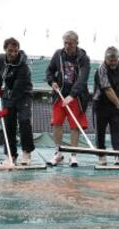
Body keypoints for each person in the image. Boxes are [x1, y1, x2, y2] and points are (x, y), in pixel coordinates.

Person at [45, 31, 90, 167]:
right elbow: (49, 71)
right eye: (65, 43)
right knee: (57, 123)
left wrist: (72, 95)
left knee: (75, 126)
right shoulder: (58, 54)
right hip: (60, 94)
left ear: (77, 43)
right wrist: (51, 81)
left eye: (70, 43)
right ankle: (58, 153)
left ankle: (73, 155)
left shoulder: (83, 58)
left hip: (76, 96)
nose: (67, 46)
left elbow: (83, 78)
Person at [0, 37, 35, 165]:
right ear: (5, 49)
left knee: (24, 121)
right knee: (8, 124)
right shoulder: (0, 59)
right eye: (10, 51)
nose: (13, 54)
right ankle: (10, 155)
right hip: (8, 92)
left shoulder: (23, 65)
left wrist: (7, 108)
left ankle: (26, 153)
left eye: (15, 51)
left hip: (23, 94)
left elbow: (18, 89)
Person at [93, 46, 119, 166]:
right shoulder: (101, 69)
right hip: (101, 104)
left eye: (115, 60)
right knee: (100, 132)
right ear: (105, 59)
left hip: (116, 104)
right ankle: (102, 156)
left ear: (118, 58)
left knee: (117, 130)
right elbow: (108, 90)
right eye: (110, 61)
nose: (113, 63)